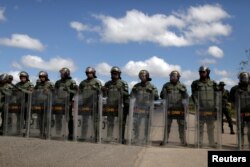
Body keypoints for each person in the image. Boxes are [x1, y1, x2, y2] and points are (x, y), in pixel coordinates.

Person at [191, 66, 219, 147]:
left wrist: (216, 106)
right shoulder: (195, 83)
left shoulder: (213, 83)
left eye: (203, 72)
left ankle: (211, 142)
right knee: (200, 126)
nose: (201, 73)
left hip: (211, 108)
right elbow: (194, 95)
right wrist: (197, 104)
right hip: (201, 108)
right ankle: (199, 142)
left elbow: (217, 95)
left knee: (211, 127)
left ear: (207, 72)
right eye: (200, 72)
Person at [160, 70, 188, 145]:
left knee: (182, 125)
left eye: (175, 76)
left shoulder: (183, 86)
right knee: (167, 125)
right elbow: (161, 95)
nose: (173, 78)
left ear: (178, 77)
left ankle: (183, 141)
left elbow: (186, 97)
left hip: (180, 108)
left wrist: (184, 92)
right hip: (169, 108)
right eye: (171, 76)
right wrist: (165, 92)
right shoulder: (166, 85)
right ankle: (165, 140)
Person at [102, 66, 129, 143]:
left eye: (116, 73)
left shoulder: (123, 83)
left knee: (121, 123)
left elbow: (127, 94)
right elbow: (104, 95)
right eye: (113, 73)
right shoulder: (107, 83)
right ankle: (109, 137)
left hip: (120, 105)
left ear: (119, 74)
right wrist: (103, 90)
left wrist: (121, 91)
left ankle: (121, 138)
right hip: (110, 105)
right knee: (110, 122)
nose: (114, 75)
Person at [130, 70, 159, 143]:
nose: (142, 77)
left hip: (147, 108)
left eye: (143, 75)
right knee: (136, 124)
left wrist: (151, 92)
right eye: (141, 76)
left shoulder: (152, 87)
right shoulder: (136, 86)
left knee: (147, 124)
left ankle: (146, 138)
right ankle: (136, 137)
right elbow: (131, 96)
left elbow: (156, 97)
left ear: (147, 76)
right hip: (138, 107)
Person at [78, 67, 102, 141]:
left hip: (94, 103)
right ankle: (83, 136)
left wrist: (96, 88)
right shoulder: (82, 83)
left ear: (94, 73)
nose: (89, 74)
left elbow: (101, 92)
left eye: (91, 73)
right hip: (85, 104)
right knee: (84, 121)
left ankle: (96, 137)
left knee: (95, 121)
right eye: (88, 73)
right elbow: (79, 93)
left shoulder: (97, 82)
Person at [54, 67, 77, 140]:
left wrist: (69, 90)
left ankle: (71, 134)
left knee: (69, 118)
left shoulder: (71, 82)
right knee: (58, 118)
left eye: (62, 73)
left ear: (67, 74)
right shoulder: (58, 82)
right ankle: (58, 133)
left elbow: (76, 92)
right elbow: (55, 92)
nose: (61, 75)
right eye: (60, 73)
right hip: (59, 102)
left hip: (68, 103)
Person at [230, 72, 250, 148]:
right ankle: (240, 144)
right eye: (243, 78)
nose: (245, 80)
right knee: (240, 129)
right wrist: (235, 106)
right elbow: (231, 100)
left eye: (246, 78)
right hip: (240, 112)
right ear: (240, 79)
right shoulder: (235, 89)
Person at [33, 71, 54, 137]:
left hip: (47, 103)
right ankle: (42, 132)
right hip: (39, 104)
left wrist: (49, 91)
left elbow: (55, 91)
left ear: (46, 77)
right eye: (40, 77)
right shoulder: (38, 85)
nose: (42, 78)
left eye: (43, 77)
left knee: (47, 118)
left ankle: (48, 132)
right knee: (40, 119)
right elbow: (34, 92)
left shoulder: (50, 84)